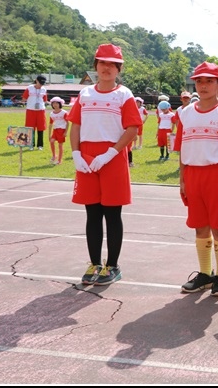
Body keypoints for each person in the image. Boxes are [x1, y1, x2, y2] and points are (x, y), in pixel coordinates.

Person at [67, 44, 142, 286]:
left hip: (112, 156)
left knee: (112, 213)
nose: (106, 68)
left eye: (112, 64)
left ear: (118, 69)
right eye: (102, 63)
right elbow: (75, 124)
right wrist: (76, 153)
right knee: (92, 213)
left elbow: (132, 128)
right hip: (87, 157)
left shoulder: (124, 94)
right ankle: (94, 263)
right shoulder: (85, 94)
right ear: (95, 66)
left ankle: (113, 265)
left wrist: (111, 153)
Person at [176, 62, 218, 297]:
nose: (203, 86)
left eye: (209, 81)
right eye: (199, 81)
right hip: (193, 175)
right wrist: (182, 179)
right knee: (200, 226)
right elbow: (182, 149)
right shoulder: (185, 113)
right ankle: (205, 274)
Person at [22, 75, 48, 149]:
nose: (41, 85)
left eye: (42, 83)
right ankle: (31, 144)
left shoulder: (44, 89)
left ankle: (40, 145)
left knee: (41, 128)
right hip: (30, 110)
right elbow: (24, 98)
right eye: (40, 83)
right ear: (36, 81)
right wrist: (22, 102)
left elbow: (45, 100)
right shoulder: (29, 88)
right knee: (30, 128)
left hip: (41, 111)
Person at [48, 97, 68, 165]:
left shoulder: (64, 112)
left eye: (57, 103)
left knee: (60, 145)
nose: (55, 105)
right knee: (52, 141)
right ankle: (54, 155)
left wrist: (66, 132)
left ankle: (59, 160)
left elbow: (68, 122)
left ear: (60, 104)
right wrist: (49, 134)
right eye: (53, 103)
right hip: (55, 129)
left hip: (61, 130)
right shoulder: (51, 114)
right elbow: (50, 124)